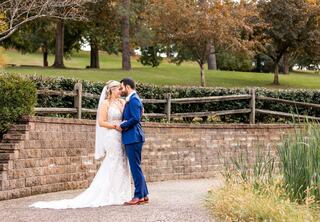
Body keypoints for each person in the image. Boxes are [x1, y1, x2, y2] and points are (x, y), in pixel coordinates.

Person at [29, 80, 131, 209]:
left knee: (123, 162)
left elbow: (129, 114)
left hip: (122, 136)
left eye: (121, 89)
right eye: (119, 89)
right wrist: (116, 126)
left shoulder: (122, 102)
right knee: (113, 161)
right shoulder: (105, 104)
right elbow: (101, 122)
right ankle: (109, 193)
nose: (121, 91)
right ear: (111, 90)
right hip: (112, 135)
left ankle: (122, 193)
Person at [115, 77, 149, 205]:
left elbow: (135, 118)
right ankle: (144, 194)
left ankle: (138, 196)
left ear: (128, 87)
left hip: (133, 137)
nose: (121, 89)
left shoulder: (134, 100)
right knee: (136, 167)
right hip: (133, 137)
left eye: (122, 87)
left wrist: (122, 125)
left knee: (135, 168)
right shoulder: (133, 99)